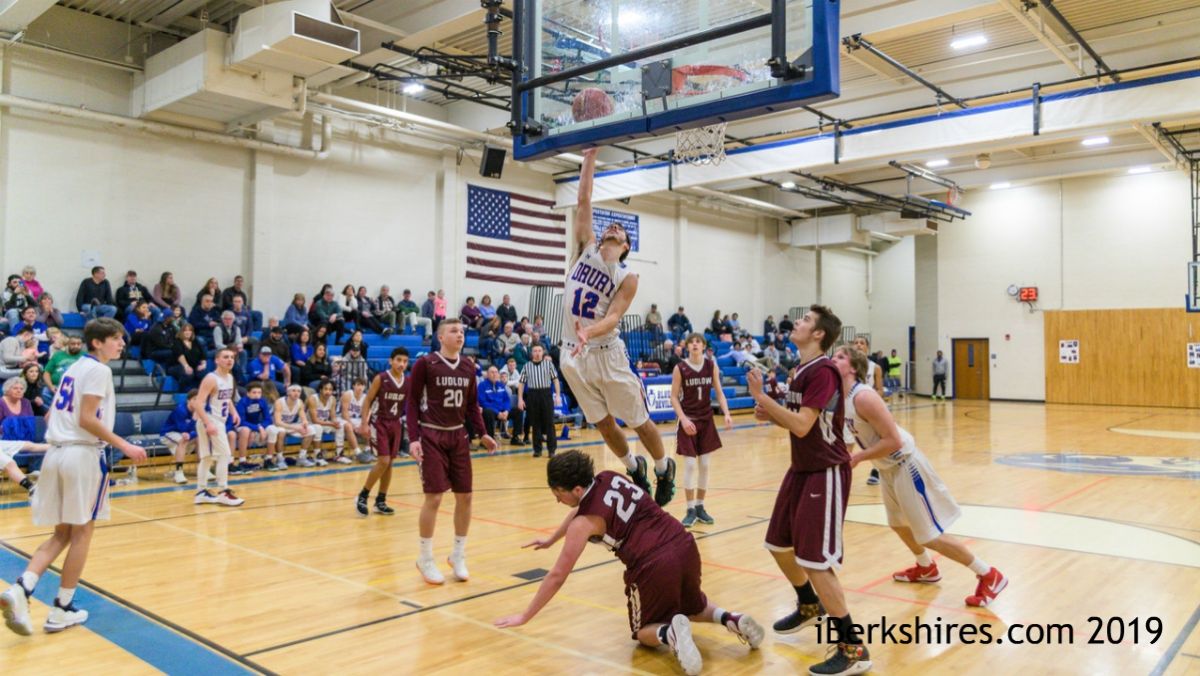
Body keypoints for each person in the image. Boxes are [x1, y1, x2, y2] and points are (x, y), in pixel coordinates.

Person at [494, 451, 764, 676]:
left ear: (576, 489)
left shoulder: (583, 524)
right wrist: (552, 539)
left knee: (643, 633)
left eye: (558, 493)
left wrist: (524, 616)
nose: (557, 499)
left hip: (651, 563)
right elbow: (580, 507)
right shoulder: (608, 477)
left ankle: (669, 633)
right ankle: (731, 618)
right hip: (683, 543)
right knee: (693, 605)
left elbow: (557, 576)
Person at [745, 304, 872, 676]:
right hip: (801, 469)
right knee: (778, 544)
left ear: (818, 334)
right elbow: (801, 423)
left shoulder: (824, 371)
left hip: (825, 472)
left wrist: (763, 399)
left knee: (816, 563)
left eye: (804, 320)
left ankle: (853, 648)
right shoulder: (801, 370)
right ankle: (808, 604)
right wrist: (770, 412)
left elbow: (802, 426)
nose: (796, 323)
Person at [0, 318, 147, 636]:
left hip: (56, 453)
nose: (122, 343)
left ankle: (21, 588)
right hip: (81, 455)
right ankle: (62, 608)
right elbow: (86, 418)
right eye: (116, 338)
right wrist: (124, 445)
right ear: (97, 342)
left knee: (62, 533)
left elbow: (53, 413)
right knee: (82, 533)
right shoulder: (98, 370)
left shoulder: (71, 369)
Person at [834, 345, 1006, 608]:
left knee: (929, 534)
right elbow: (849, 442)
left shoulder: (864, 396)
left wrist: (858, 459)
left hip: (905, 464)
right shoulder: (843, 398)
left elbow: (892, 440)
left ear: (854, 368)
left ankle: (989, 574)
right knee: (898, 524)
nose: (833, 359)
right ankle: (926, 567)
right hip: (887, 468)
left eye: (840, 357)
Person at [560, 148, 675, 506]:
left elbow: (613, 317)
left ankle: (663, 468)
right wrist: (589, 156)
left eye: (619, 230)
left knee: (638, 420)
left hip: (607, 353)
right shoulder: (585, 248)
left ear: (625, 246)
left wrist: (589, 332)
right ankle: (633, 466)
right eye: (609, 226)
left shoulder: (627, 276)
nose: (612, 227)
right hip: (572, 354)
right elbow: (583, 198)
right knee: (603, 423)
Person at [407, 319, 497, 584]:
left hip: (458, 435)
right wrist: (413, 439)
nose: (460, 335)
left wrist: (482, 433)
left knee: (465, 496)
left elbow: (472, 406)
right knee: (434, 498)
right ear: (440, 337)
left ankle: (458, 554)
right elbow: (412, 402)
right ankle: (425, 557)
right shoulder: (426, 363)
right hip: (431, 434)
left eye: (462, 331)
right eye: (454, 331)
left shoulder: (468, 366)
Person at [672, 333, 734, 528]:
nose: (695, 344)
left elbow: (720, 392)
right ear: (687, 347)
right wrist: (683, 419)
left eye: (698, 341)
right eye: (691, 342)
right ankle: (690, 509)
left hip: (706, 421)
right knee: (690, 465)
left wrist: (727, 413)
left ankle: (700, 506)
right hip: (689, 421)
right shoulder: (680, 368)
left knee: (705, 465)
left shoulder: (711, 366)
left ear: (704, 346)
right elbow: (673, 397)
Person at [356, 348, 410, 516]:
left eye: (405, 361)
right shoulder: (381, 378)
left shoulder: (407, 381)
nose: (401, 364)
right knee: (383, 461)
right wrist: (364, 424)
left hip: (396, 424)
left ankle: (380, 501)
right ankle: (363, 495)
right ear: (390, 361)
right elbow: (367, 401)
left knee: (389, 463)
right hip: (379, 422)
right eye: (398, 360)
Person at [190, 349, 245, 507]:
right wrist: (208, 423)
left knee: (207, 457)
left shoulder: (229, 377)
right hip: (210, 420)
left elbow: (227, 399)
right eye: (226, 357)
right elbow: (198, 404)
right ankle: (223, 491)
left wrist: (234, 412)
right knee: (225, 454)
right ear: (217, 360)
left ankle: (201, 492)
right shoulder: (211, 378)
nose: (230, 360)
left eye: (232, 357)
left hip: (219, 421)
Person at [518, 344, 560, 459]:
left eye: (539, 351)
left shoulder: (549, 364)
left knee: (549, 422)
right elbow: (521, 383)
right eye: (535, 351)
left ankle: (552, 450)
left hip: (546, 394)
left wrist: (558, 395)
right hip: (533, 395)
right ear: (532, 353)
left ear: (542, 352)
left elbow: (556, 380)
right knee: (535, 423)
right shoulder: (527, 366)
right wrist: (520, 399)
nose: (537, 353)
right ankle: (537, 450)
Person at [307, 378, 357, 465]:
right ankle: (317, 456)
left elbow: (333, 417)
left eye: (330, 390)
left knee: (340, 426)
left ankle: (339, 454)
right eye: (326, 389)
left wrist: (335, 422)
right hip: (310, 424)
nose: (328, 392)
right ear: (320, 389)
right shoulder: (312, 399)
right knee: (318, 427)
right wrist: (331, 423)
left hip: (324, 422)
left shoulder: (332, 399)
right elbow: (315, 420)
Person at [234, 382, 278, 475]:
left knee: (273, 429)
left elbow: (268, 419)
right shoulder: (242, 402)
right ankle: (242, 461)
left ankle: (268, 459)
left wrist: (261, 427)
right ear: (248, 393)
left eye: (259, 392)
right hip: (243, 426)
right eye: (254, 392)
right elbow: (241, 421)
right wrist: (258, 428)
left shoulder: (262, 401)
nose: (257, 395)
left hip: (257, 426)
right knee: (245, 430)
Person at [271, 384, 316, 471]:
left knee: (311, 430)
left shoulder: (300, 402)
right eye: (294, 391)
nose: (296, 393)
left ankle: (301, 457)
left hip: (290, 425)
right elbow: (278, 422)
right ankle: (280, 459)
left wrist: (305, 423)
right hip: (276, 426)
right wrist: (296, 428)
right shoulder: (279, 402)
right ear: (288, 392)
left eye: (299, 391)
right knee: (281, 432)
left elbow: (303, 417)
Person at [162, 390, 199, 484]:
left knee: (200, 438)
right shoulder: (180, 410)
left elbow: (200, 430)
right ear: (188, 400)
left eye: (199, 399)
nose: (197, 402)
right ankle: (179, 472)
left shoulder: (201, 410)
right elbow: (183, 429)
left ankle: (202, 468)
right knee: (183, 440)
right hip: (169, 433)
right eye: (195, 399)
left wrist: (191, 434)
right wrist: (194, 419)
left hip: (186, 434)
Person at [341, 377, 374, 464]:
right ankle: (358, 452)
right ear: (353, 386)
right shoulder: (348, 394)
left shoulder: (365, 397)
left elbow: (368, 413)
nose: (360, 387)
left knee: (370, 425)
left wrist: (364, 424)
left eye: (362, 385)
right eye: (358, 385)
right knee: (348, 426)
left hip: (358, 419)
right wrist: (353, 426)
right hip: (344, 419)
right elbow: (344, 413)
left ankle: (368, 449)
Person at [478, 366, 514, 441]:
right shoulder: (482, 385)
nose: (494, 374)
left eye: (496, 372)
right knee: (488, 412)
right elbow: (483, 402)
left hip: (502, 412)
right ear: (487, 374)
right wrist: (497, 413)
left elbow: (506, 400)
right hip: (490, 412)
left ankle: (515, 438)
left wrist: (506, 411)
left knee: (518, 411)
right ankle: (490, 438)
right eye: (492, 372)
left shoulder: (501, 385)